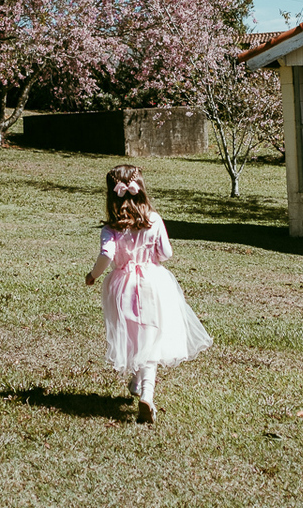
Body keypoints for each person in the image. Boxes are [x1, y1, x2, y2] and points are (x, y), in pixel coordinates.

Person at [85, 165, 212, 424]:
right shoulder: (153, 220)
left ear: (112, 196)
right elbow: (166, 253)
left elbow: (106, 256)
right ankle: (147, 395)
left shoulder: (111, 228)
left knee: (135, 336)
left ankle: (138, 383)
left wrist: (93, 275)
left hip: (123, 287)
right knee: (151, 337)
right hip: (153, 284)